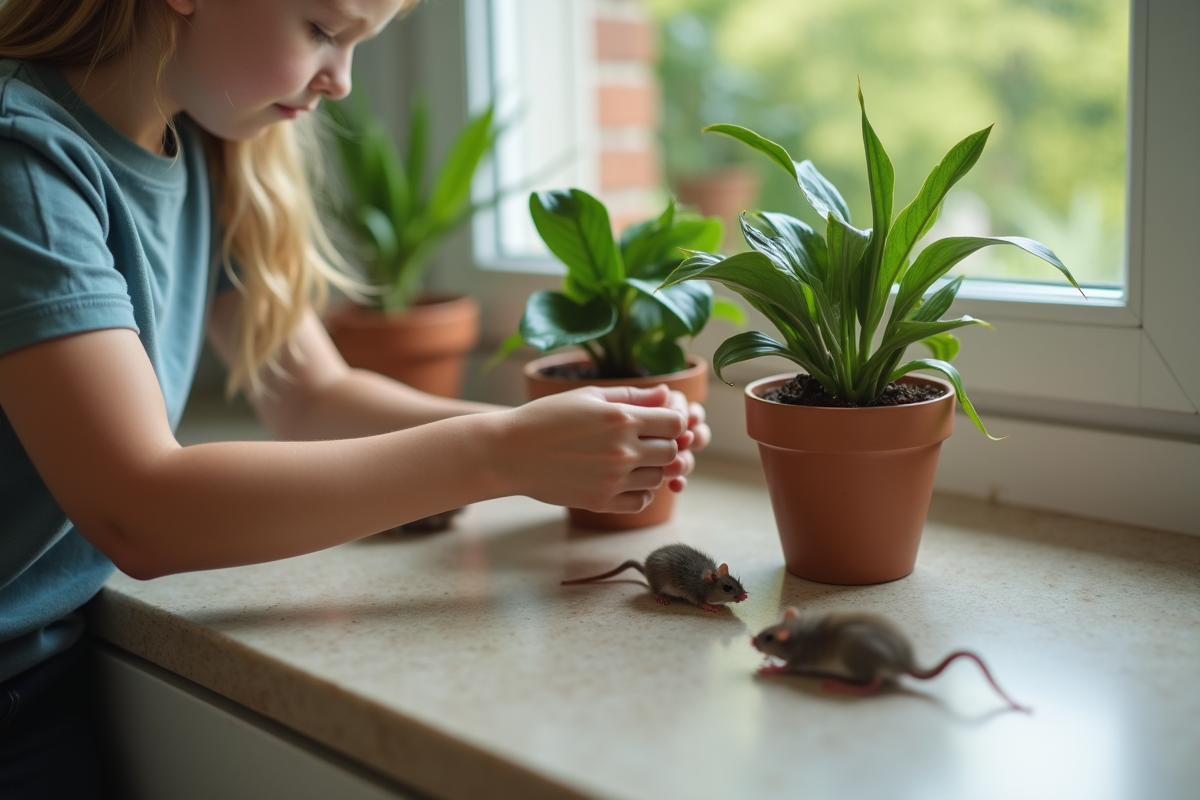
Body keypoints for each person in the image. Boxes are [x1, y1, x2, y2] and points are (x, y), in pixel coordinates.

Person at [0, 0, 710, 795]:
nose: (340, 81)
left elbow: (312, 394)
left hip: (41, 669)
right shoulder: (23, 163)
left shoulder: (200, 138)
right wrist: (503, 453)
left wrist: (549, 439)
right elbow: (141, 511)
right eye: (325, 30)